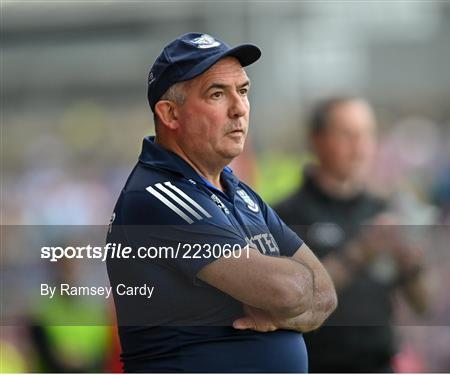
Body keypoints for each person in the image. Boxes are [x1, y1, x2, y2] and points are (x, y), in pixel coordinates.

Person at [106, 32, 337, 373]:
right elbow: (289, 291)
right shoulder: (157, 197)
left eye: (243, 91)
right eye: (217, 94)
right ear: (170, 114)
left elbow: (326, 294)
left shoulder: (238, 192)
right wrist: (287, 298)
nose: (239, 108)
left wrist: (280, 311)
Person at [275, 97, 428, 372]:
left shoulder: (385, 210)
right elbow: (294, 301)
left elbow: (424, 304)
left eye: (367, 135)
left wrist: (411, 265)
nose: (360, 148)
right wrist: (362, 251)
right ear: (317, 140)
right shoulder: (284, 216)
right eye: (347, 135)